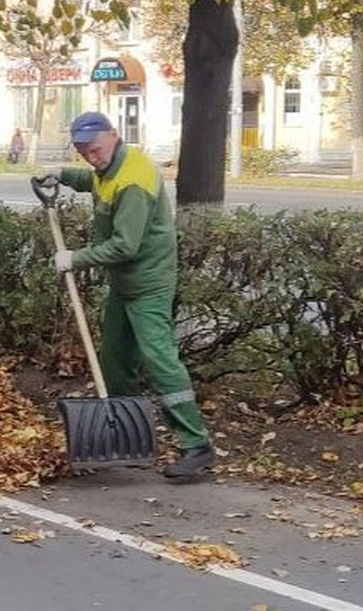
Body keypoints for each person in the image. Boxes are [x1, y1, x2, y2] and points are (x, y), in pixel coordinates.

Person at [35, 111, 215, 481]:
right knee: (115, 358)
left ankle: (196, 445)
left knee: (159, 359)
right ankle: (128, 436)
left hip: (148, 283)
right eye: (83, 151)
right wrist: (64, 174)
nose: (91, 157)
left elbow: (126, 246)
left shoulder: (134, 180)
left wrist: (76, 258)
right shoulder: (111, 167)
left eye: (95, 149)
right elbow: (97, 180)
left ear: (114, 136)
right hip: (124, 284)